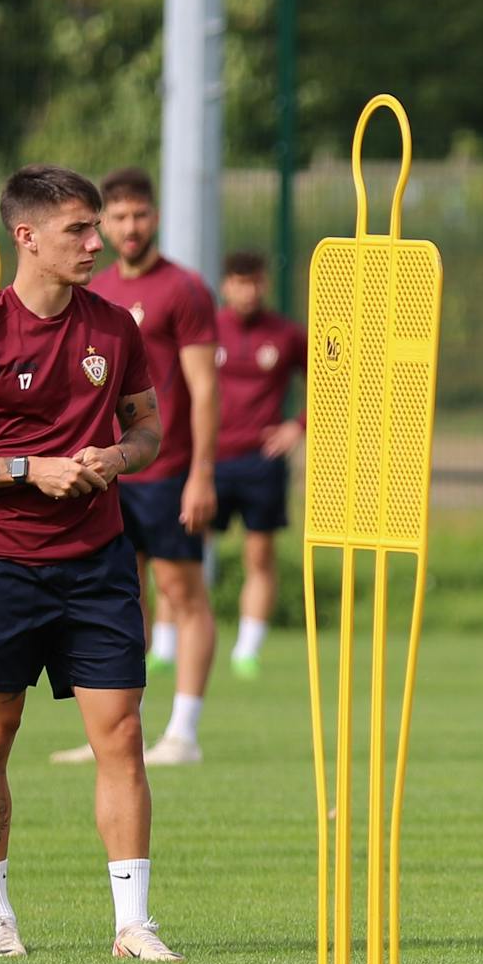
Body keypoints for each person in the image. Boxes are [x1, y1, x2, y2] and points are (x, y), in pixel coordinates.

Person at [0, 163, 183, 961]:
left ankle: (133, 924)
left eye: (97, 226)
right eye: (79, 229)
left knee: (122, 732)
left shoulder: (115, 328)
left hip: (99, 562)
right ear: (27, 236)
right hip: (2, 565)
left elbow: (148, 430)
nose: (97, 242)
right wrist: (30, 469)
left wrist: (115, 456)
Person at [52, 168, 220, 767]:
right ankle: (119, 732)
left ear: (156, 217)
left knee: (182, 592)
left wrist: (202, 473)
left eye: (139, 215)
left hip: (169, 473)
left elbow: (204, 389)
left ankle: (183, 733)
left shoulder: (184, 289)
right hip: (110, 475)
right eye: (118, 217)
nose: (129, 227)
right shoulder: (95, 292)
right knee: (123, 602)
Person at [210, 250, 307, 679]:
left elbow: (333, 379)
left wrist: (296, 427)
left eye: (254, 282)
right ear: (226, 285)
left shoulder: (286, 334)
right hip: (209, 460)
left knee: (259, 555)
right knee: (181, 556)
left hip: (261, 462)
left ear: (264, 284)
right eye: (238, 282)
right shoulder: (207, 329)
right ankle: (168, 645)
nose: (247, 291)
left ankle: (247, 650)